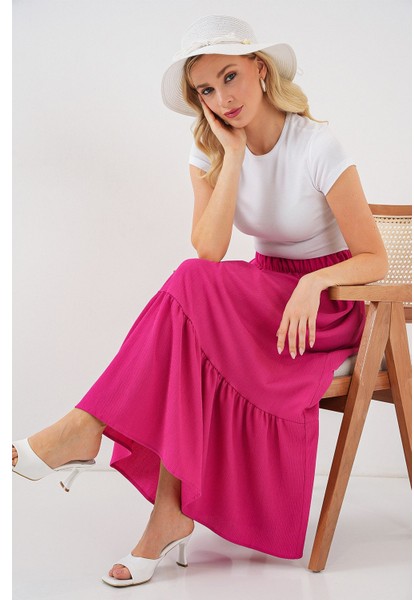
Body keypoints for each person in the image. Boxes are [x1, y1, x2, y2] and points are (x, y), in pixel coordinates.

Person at [12, 14, 388, 587]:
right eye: (207, 90)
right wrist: (232, 158)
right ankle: (166, 512)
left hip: (324, 306)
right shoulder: (209, 152)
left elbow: (375, 259)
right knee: (191, 307)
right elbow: (210, 250)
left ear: (260, 70)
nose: (223, 97)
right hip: (263, 293)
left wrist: (313, 284)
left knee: (190, 291)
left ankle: (87, 430)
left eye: (230, 76)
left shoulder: (316, 145)